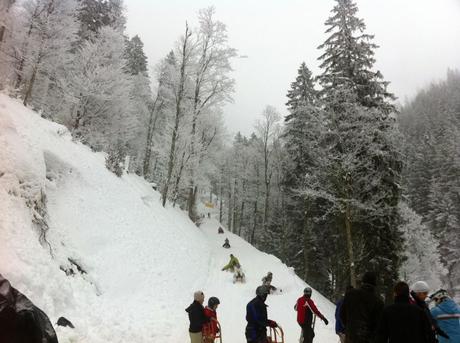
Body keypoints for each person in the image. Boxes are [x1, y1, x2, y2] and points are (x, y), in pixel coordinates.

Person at [340, 272, 384, 343]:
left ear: (363, 282)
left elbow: (342, 314)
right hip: (367, 339)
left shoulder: (350, 295)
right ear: (375, 284)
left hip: (350, 336)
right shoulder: (378, 302)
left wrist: (349, 327)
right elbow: (378, 325)